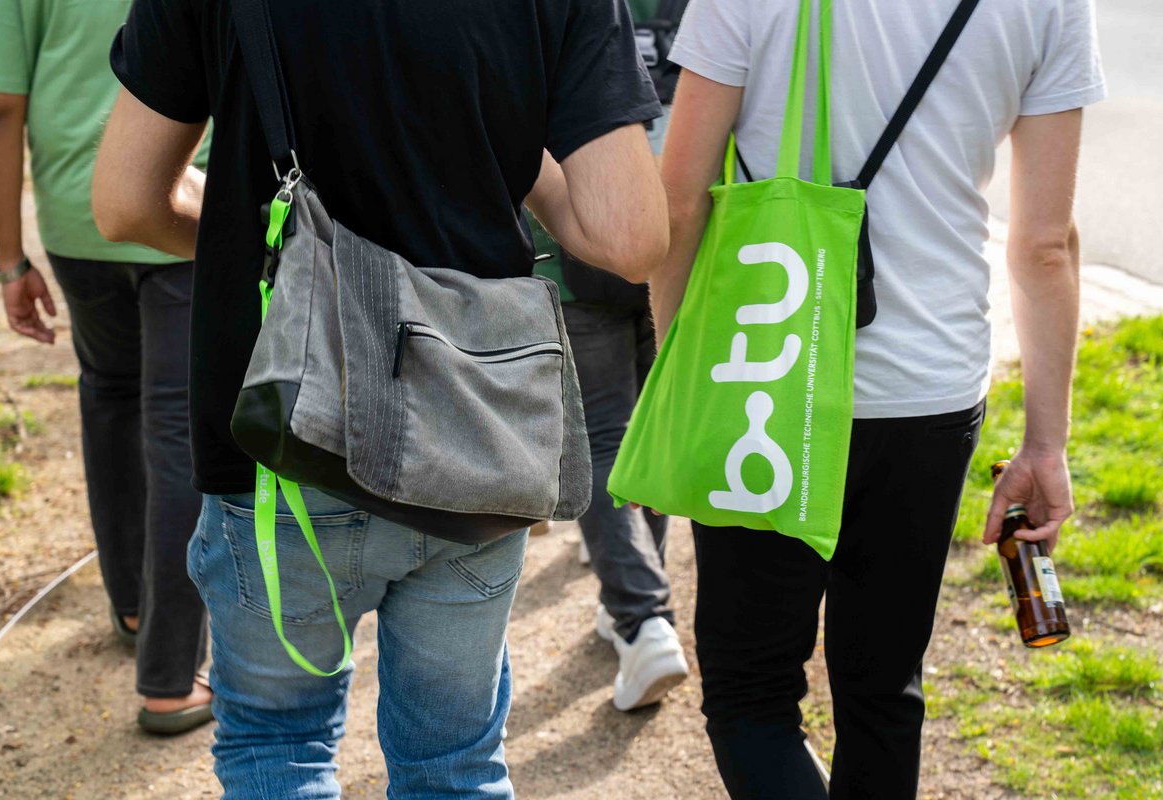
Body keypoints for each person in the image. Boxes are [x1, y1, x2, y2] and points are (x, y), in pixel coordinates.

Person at [92, 0, 668, 795]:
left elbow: (125, 203)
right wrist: (499, 135)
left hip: (282, 427)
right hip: (472, 425)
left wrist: (285, 252)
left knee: (277, 747)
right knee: (454, 764)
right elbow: (630, 236)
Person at [653, 1, 1103, 797]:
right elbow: (1044, 245)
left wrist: (679, 375)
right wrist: (1045, 444)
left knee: (751, 692)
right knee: (884, 690)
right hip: (932, 387)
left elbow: (680, 200)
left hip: (764, 374)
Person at [0, 0, 212, 734]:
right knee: (179, 427)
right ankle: (169, 679)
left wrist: (10, 261)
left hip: (78, 209)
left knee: (109, 394)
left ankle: (135, 608)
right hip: (184, 199)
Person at [530, 0, 691, 712]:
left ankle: (641, 610)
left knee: (602, 430)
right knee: (655, 421)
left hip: (584, 225)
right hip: (680, 230)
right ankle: (639, 593)